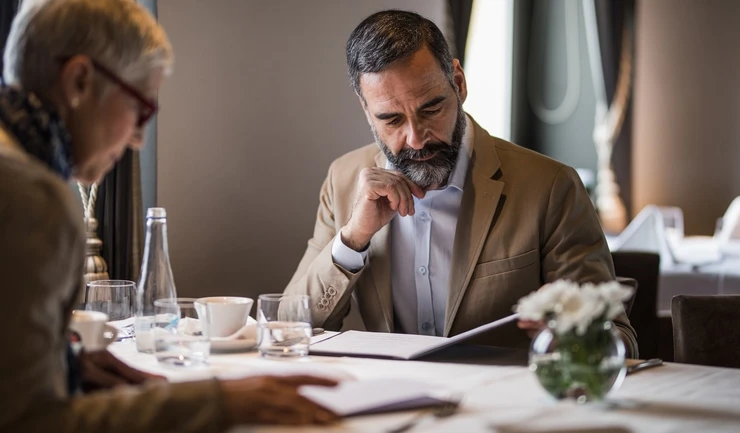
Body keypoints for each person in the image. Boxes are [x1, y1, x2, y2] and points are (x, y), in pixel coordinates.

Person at [0, 1, 337, 432]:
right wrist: (214, 403)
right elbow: (30, 423)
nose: (139, 139)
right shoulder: (32, 198)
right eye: (141, 110)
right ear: (80, 81)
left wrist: (65, 366)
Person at [284, 10, 638, 357]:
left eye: (431, 109)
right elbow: (289, 325)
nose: (416, 139)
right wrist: (353, 239)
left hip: (507, 405)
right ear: (366, 110)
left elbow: (618, 338)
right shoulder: (344, 180)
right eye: (391, 120)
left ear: (459, 83)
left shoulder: (551, 187)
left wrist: (568, 340)